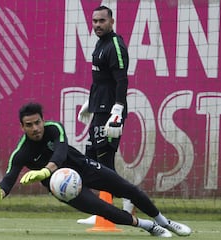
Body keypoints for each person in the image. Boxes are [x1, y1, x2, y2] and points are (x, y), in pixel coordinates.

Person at [0, 102, 192, 238]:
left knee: (128, 189)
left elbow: (59, 152)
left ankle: (164, 222)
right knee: (104, 209)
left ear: (42, 120)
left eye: (37, 122)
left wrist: (46, 171)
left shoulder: (54, 129)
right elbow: (10, 176)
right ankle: (149, 227)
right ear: (22, 127)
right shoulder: (21, 152)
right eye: (29, 125)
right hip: (63, 187)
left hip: (83, 167)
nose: (35, 128)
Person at [77, 5, 133, 224]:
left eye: (102, 21)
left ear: (112, 21)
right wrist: (90, 103)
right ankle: (105, 209)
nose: (98, 25)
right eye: (94, 21)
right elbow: (102, 81)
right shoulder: (100, 44)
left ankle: (125, 203)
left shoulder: (116, 46)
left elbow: (121, 80)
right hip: (99, 110)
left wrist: (117, 111)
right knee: (91, 160)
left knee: (104, 163)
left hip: (110, 114)